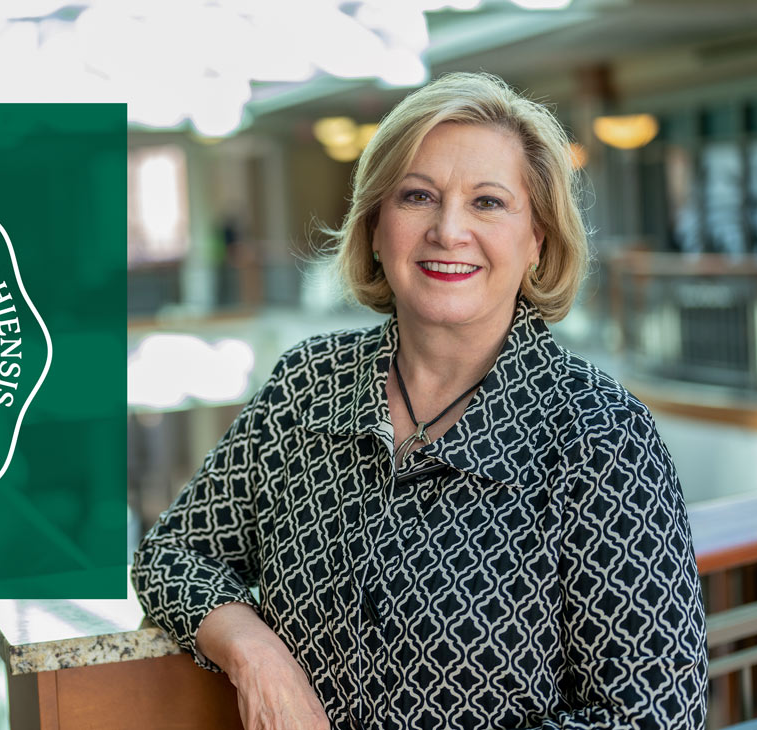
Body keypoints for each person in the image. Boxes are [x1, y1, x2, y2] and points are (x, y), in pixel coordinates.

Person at [132, 71, 707, 729]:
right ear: (377, 229)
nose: (448, 229)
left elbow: (654, 718)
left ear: (537, 242)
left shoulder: (601, 437)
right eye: (417, 196)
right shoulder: (305, 387)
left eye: (488, 202)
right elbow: (172, 554)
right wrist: (255, 651)